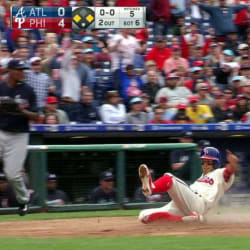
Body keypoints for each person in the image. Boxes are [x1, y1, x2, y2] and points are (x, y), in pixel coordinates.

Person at [138, 147, 238, 223]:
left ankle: (151, 188)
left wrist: (234, 163)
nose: (205, 165)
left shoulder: (219, 173)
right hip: (185, 203)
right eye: (203, 162)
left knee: (169, 177)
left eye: (208, 162)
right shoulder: (201, 177)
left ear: (216, 163)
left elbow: (229, 172)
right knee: (143, 216)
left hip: (199, 203)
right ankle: (186, 219)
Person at [0, 59, 38, 216]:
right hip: (1, 131)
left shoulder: (28, 90)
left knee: (12, 174)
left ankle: (23, 201)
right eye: (19, 69)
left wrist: (20, 110)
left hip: (19, 135)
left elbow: (36, 116)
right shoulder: (0, 87)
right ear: (10, 70)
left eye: (24, 69)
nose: (23, 72)